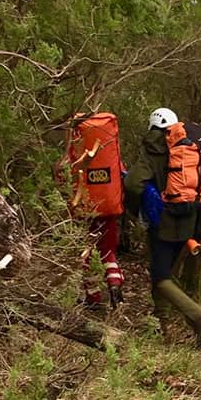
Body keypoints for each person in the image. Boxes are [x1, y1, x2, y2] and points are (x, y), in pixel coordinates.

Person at [124, 107, 201, 346]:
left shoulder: (153, 147)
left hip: (164, 220)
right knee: (164, 270)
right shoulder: (190, 144)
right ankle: (161, 324)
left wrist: (136, 208)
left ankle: (199, 318)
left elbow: (133, 183)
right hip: (191, 218)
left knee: (160, 276)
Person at [61, 112, 125, 309]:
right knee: (108, 250)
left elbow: (65, 176)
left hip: (86, 210)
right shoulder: (110, 152)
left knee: (87, 253)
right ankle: (115, 284)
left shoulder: (74, 152)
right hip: (109, 206)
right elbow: (122, 172)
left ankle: (93, 297)